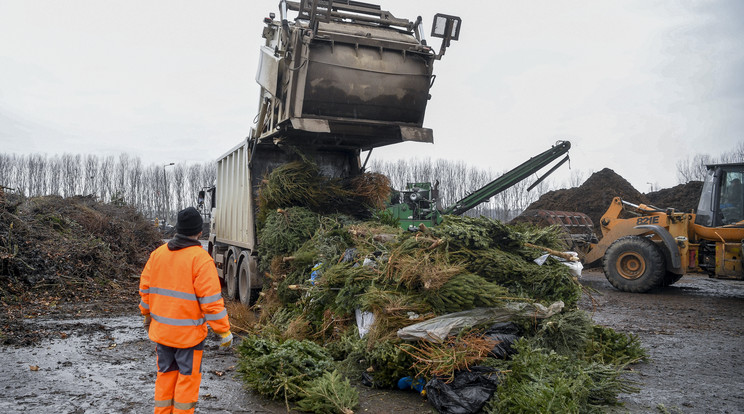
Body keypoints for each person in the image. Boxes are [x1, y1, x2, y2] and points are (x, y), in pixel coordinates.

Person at [139, 207, 232, 414]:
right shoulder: (201, 259)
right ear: (199, 232)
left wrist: (146, 316)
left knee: (165, 376)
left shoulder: (157, 255)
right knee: (187, 381)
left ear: (177, 229)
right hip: (188, 337)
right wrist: (223, 330)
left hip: (162, 334)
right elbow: (211, 302)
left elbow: (145, 290)